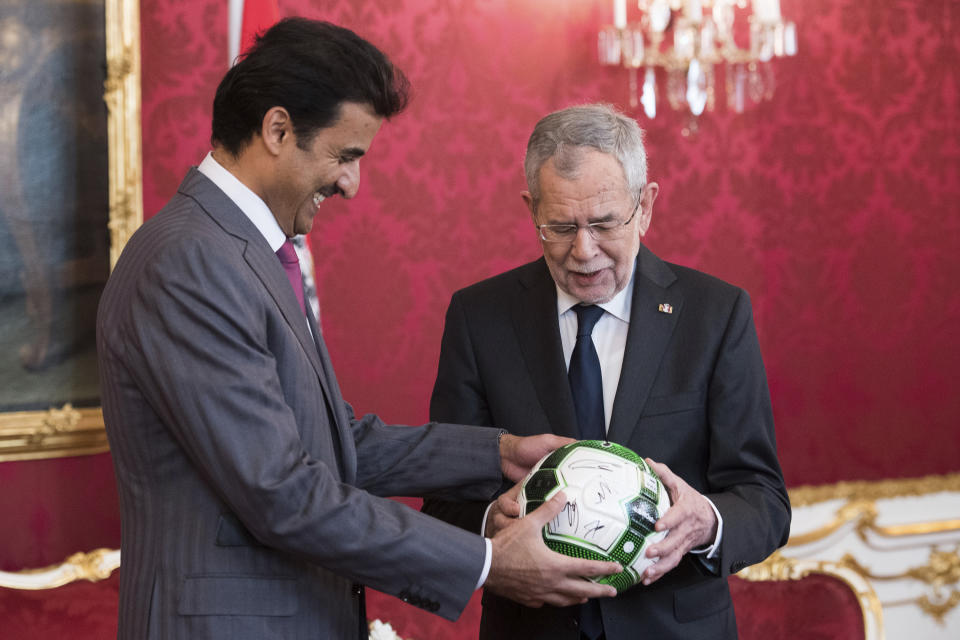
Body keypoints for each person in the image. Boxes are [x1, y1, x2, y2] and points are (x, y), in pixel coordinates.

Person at [96, 20, 621, 640]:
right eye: (345, 156)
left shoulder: (242, 252)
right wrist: (487, 563)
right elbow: (281, 491)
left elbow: (335, 442)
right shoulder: (190, 263)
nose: (351, 183)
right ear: (278, 129)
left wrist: (500, 452)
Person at [422, 103, 791, 640]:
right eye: (561, 227)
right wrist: (490, 531)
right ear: (531, 210)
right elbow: (445, 497)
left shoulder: (715, 314)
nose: (583, 251)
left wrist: (706, 521)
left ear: (645, 206)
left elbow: (764, 498)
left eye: (602, 223)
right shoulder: (480, 318)